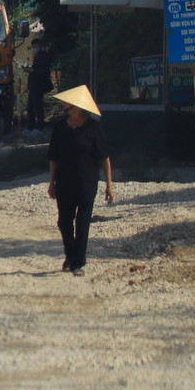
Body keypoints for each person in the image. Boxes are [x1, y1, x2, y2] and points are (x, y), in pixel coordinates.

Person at [47, 85, 114, 277]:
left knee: (83, 222)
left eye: (67, 103)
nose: (64, 106)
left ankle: (78, 262)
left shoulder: (94, 128)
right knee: (64, 221)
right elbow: (54, 157)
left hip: (87, 181)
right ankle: (71, 255)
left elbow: (104, 158)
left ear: (77, 106)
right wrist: (51, 183)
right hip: (64, 181)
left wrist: (109, 185)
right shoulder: (60, 127)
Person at [26, 39, 53, 135]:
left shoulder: (44, 56)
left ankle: (39, 128)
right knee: (30, 107)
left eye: (36, 46)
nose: (34, 49)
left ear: (40, 46)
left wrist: (32, 70)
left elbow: (43, 71)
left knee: (38, 107)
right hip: (33, 86)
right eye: (33, 47)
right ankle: (31, 126)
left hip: (39, 86)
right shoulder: (36, 57)